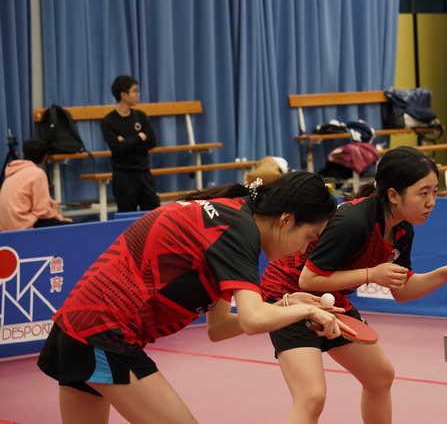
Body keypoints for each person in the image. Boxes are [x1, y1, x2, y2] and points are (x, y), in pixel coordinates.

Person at [38, 171, 352, 424]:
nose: (303, 249)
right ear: (286, 219)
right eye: (308, 237)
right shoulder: (237, 231)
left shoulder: (231, 216)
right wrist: (306, 312)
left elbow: (218, 327)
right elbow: (253, 320)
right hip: (103, 333)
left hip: (75, 330)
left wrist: (284, 304)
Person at [260, 146, 447, 424]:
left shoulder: (402, 230)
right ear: (393, 195)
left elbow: (403, 291)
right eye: (423, 193)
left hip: (331, 299)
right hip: (289, 293)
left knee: (380, 377)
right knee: (311, 396)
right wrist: (370, 274)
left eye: (435, 192)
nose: (431, 202)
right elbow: (308, 279)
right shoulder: (352, 222)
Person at [101, 75, 160, 212]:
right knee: (127, 214)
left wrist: (126, 143)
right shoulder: (108, 121)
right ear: (123, 95)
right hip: (123, 175)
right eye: (134, 91)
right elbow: (117, 149)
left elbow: (152, 142)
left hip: (143, 172)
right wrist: (139, 137)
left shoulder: (141, 116)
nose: (137, 94)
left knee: (153, 214)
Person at [0, 138, 72, 231]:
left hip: (4, 227)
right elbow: (42, 211)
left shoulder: (12, 172)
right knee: (71, 228)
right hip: (21, 226)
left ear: (23, 154)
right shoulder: (37, 173)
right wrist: (60, 218)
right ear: (44, 158)